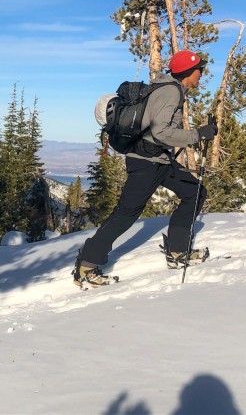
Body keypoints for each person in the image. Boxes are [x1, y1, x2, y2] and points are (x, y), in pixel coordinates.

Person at [73, 50, 217, 287]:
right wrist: (197, 134)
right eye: (199, 70)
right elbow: (161, 132)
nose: (201, 74)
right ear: (188, 72)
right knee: (126, 214)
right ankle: (87, 263)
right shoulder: (170, 91)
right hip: (146, 162)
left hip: (159, 160)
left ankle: (178, 251)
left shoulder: (172, 89)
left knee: (194, 192)